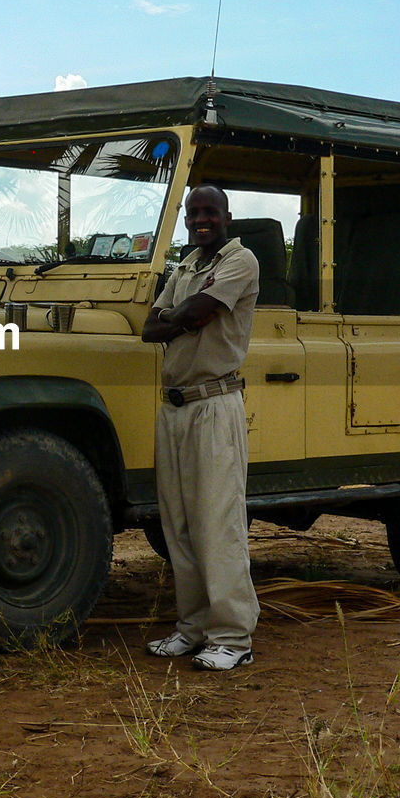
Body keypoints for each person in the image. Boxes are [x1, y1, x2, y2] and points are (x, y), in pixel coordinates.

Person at [140, 184, 261, 671]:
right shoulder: (186, 266)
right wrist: (181, 317)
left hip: (214, 403)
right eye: (194, 213)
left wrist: (180, 316)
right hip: (175, 408)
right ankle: (192, 628)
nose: (200, 220)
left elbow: (194, 313)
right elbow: (152, 327)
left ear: (227, 217)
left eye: (209, 212)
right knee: (180, 526)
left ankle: (233, 636)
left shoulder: (240, 261)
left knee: (218, 524)